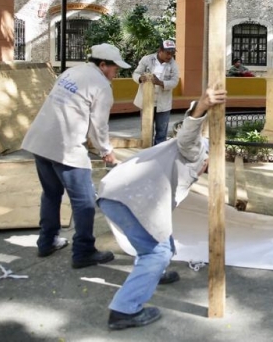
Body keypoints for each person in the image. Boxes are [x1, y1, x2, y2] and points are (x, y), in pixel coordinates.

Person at [98, 87, 226, 330]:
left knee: (160, 241)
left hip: (116, 195)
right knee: (157, 253)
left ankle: (154, 273)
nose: (209, 171)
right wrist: (202, 106)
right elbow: (188, 136)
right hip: (127, 200)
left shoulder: (181, 154)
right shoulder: (196, 151)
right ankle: (124, 310)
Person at [22, 43, 129, 268]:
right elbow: (99, 126)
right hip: (65, 147)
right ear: (103, 65)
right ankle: (84, 252)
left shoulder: (72, 72)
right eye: (115, 68)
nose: (116, 72)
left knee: (51, 194)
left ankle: (47, 241)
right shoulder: (101, 85)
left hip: (40, 141)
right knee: (85, 202)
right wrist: (106, 151)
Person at [132, 39, 180, 145]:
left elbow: (174, 82)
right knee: (146, 130)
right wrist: (140, 78)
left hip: (163, 103)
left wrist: (160, 83)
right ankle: (147, 150)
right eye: (168, 53)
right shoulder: (147, 59)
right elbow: (135, 73)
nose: (170, 56)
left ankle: (158, 151)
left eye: (172, 53)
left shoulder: (174, 65)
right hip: (146, 100)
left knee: (162, 132)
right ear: (160, 51)